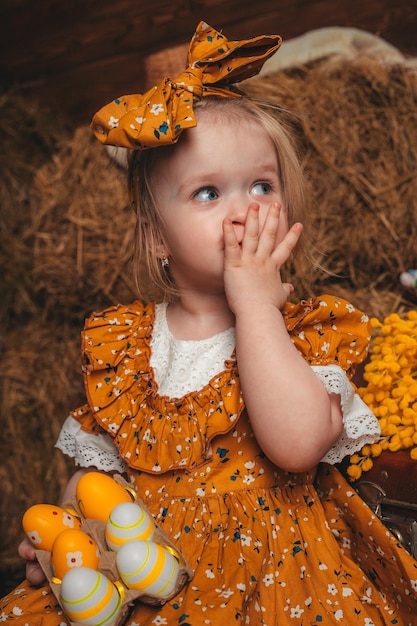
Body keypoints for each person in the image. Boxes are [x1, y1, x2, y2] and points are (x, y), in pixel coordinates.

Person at [2, 21, 417, 626]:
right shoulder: (126, 345)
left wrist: (255, 308)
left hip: (272, 570)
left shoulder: (303, 329)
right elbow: (94, 480)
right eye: (207, 194)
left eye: (261, 185)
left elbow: (298, 447)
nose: (244, 209)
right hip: (151, 571)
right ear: (155, 237)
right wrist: (75, 535)